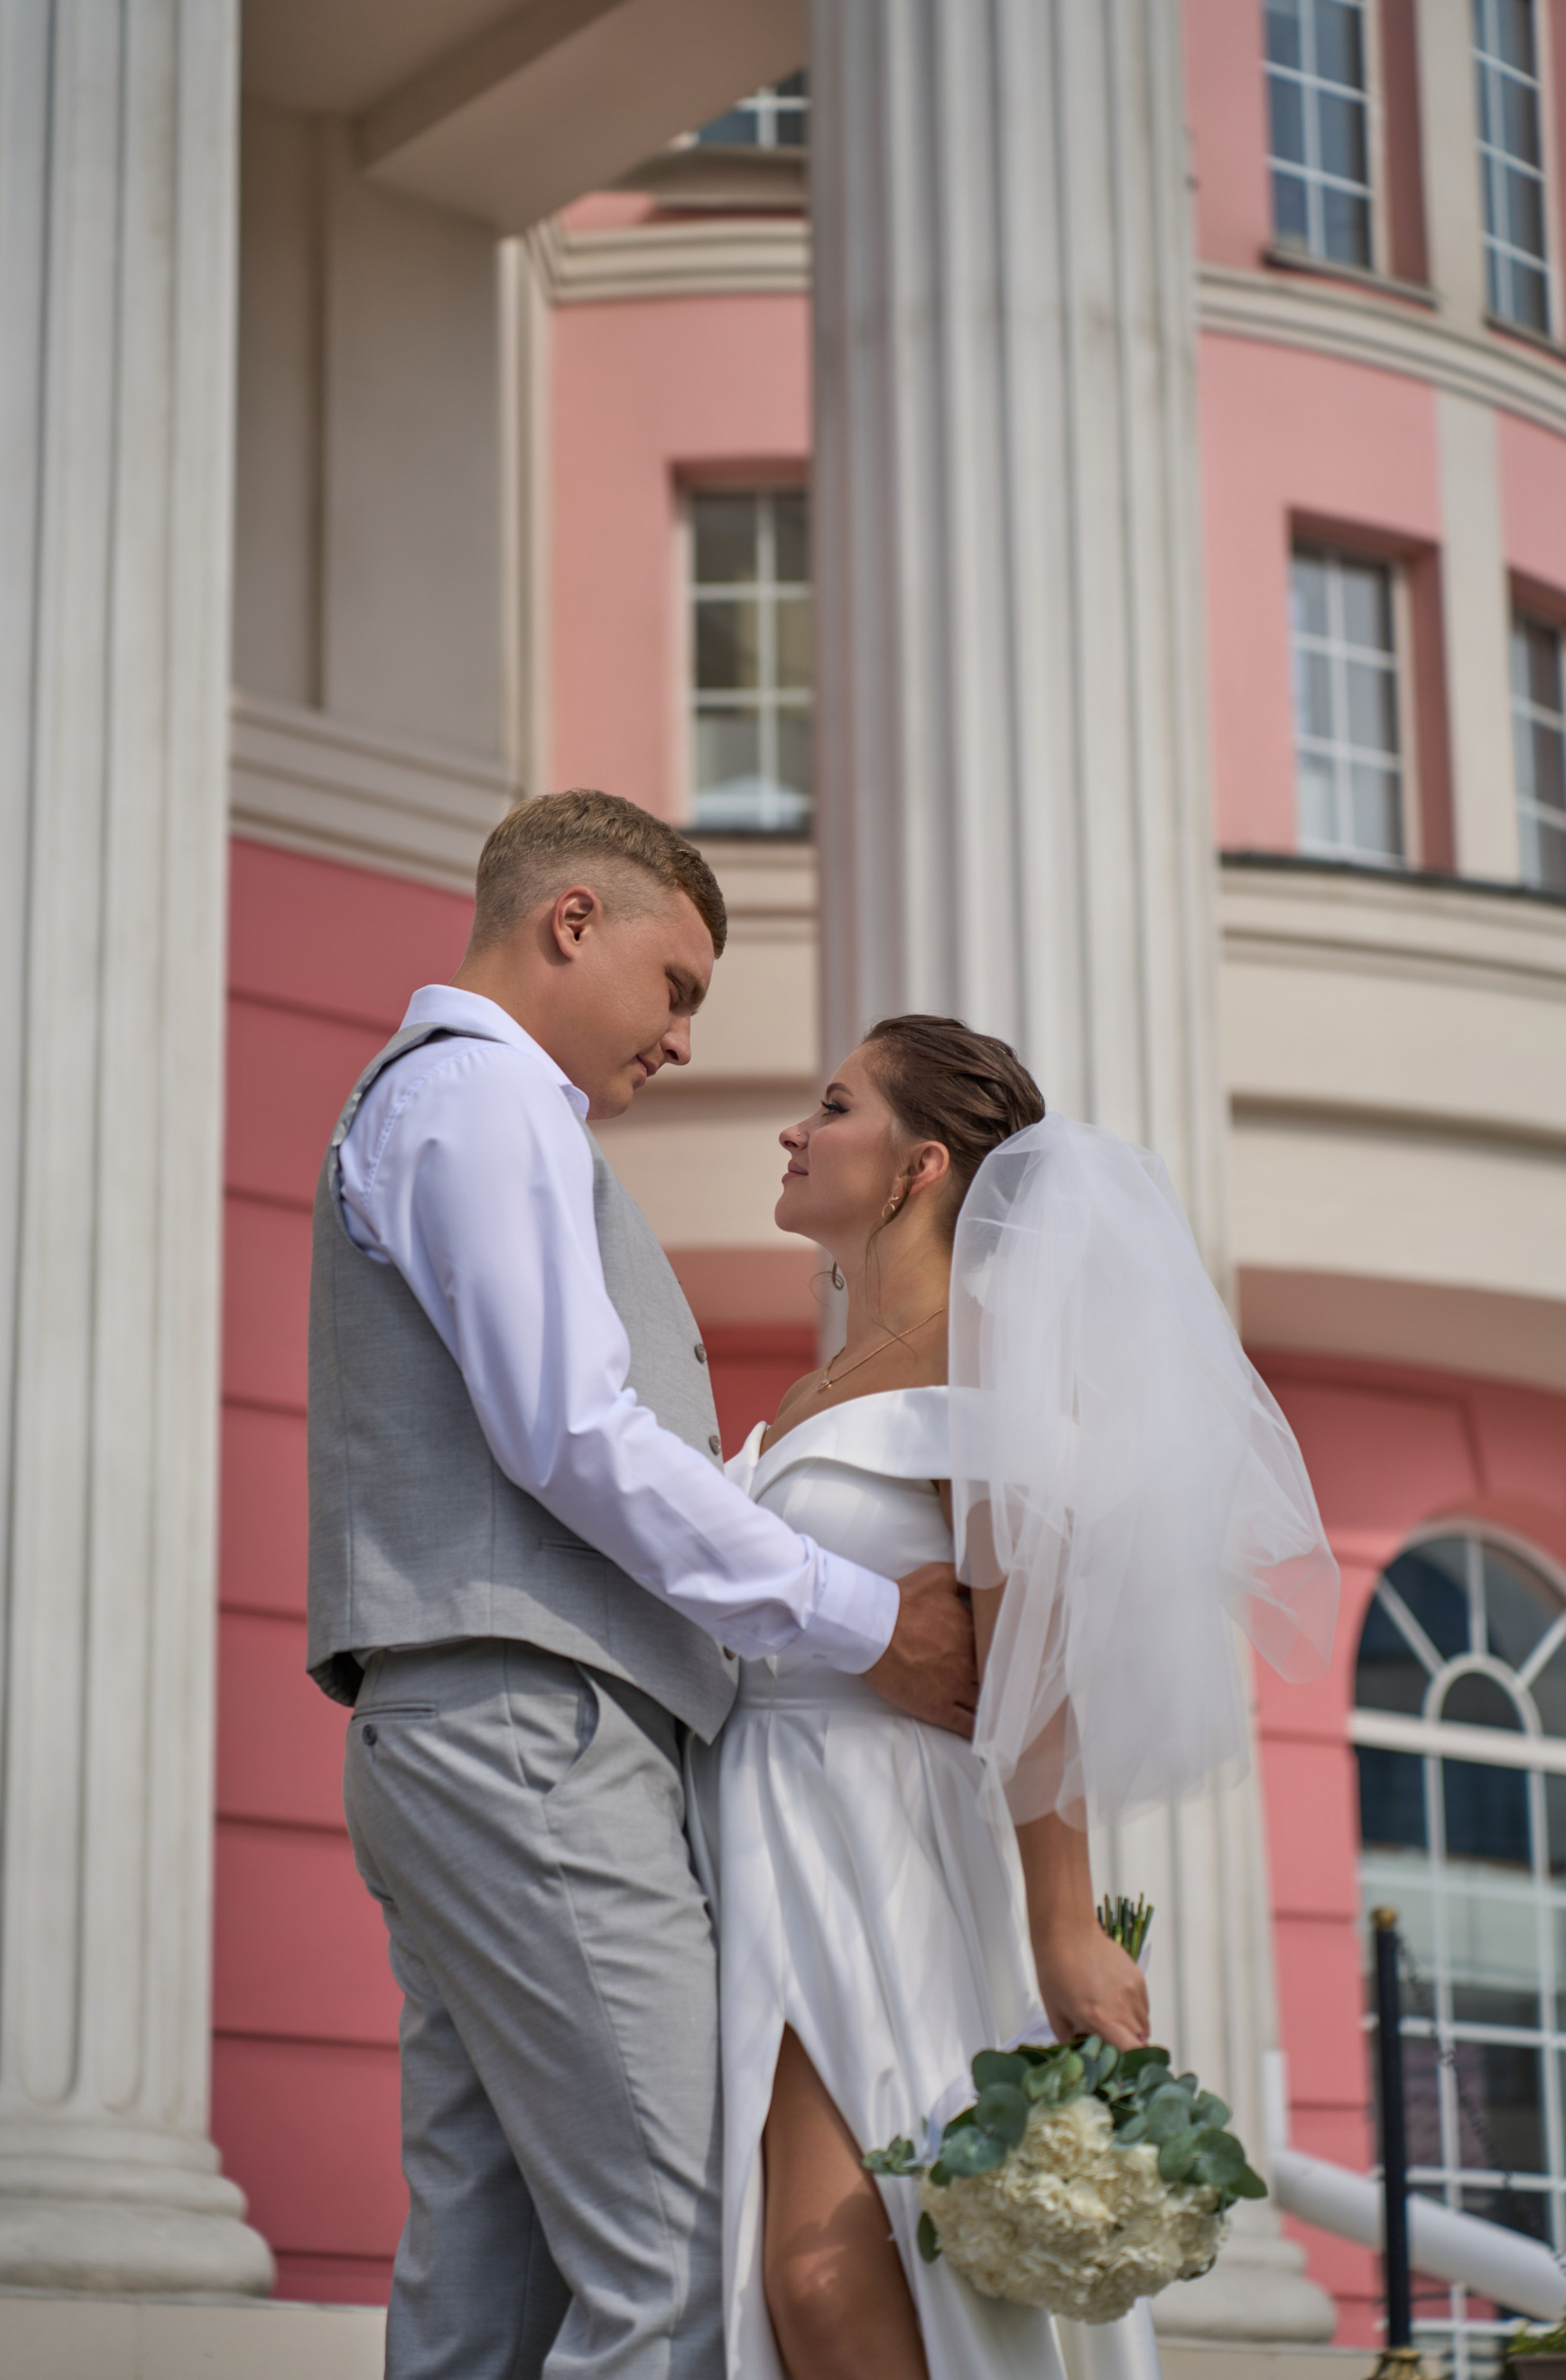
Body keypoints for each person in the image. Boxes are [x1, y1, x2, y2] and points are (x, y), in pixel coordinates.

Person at [305, 793, 978, 2380]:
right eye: (676, 987)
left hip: (470, 1728)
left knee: (489, 2287)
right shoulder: (481, 1094)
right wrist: (868, 1621)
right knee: (679, 2260)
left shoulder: (462, 1107)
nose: (681, 1040)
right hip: (531, 1735)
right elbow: (569, 1431)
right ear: (571, 923)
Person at [688, 1013, 1340, 2380]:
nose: (795, 1132)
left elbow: (1033, 1653)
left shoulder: (988, 1375)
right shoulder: (817, 1383)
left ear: (919, 1165)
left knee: (823, 2275)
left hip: (880, 1843)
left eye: (834, 1105)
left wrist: (1061, 1919)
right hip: (754, 1827)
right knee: (781, 2275)